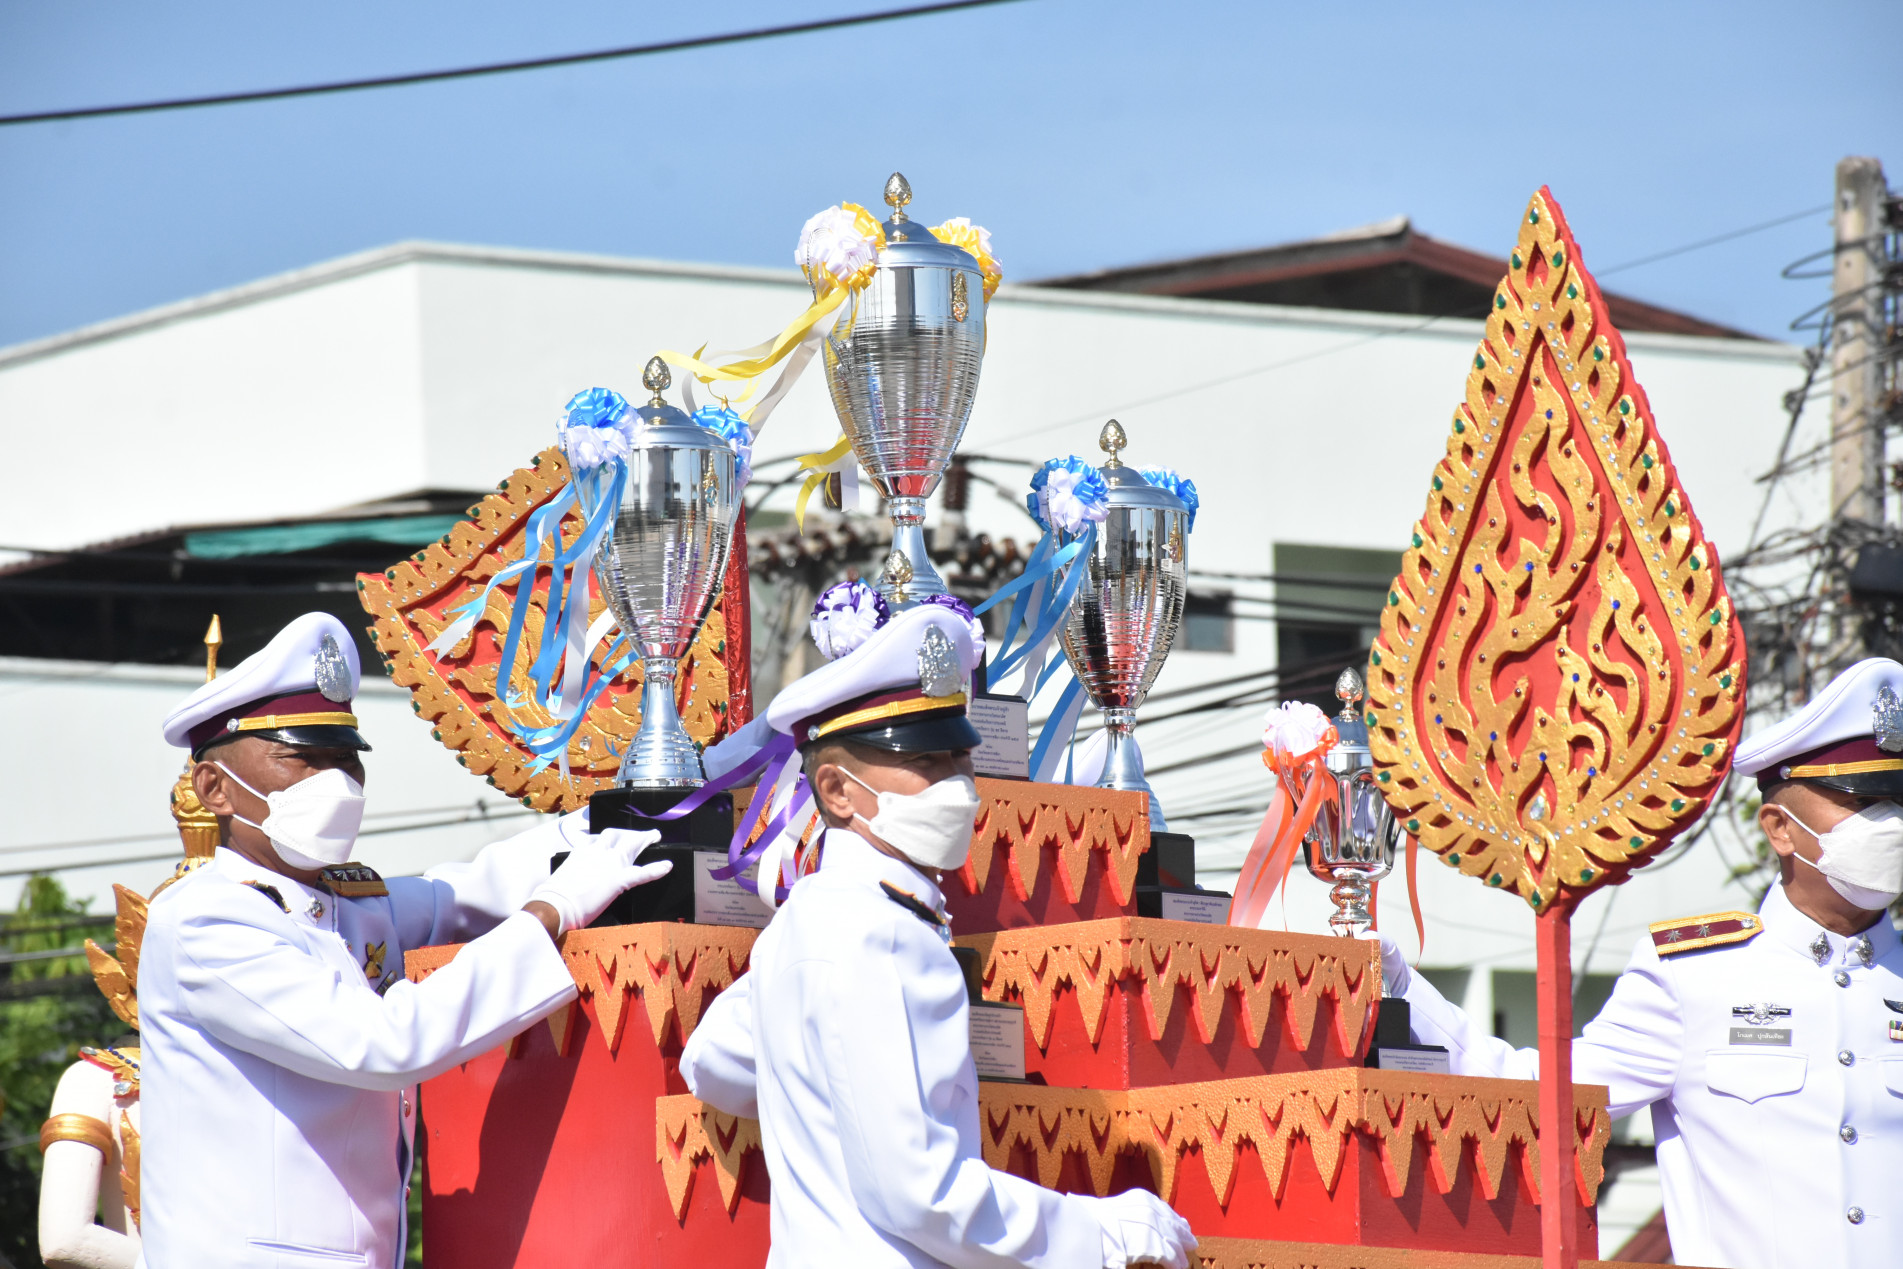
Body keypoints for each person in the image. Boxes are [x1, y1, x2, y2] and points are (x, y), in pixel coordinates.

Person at [135, 612, 672, 1268]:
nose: (333, 783)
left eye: (343, 760)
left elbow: (466, 891)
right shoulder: (206, 920)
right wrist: (554, 911)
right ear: (214, 788)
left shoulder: (346, 902)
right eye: (301, 758)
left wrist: (617, 818)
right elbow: (385, 1043)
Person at [682, 605, 1197, 1269]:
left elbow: (712, 1062)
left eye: (959, 755)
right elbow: (921, 1192)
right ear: (837, 790)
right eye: (924, 760)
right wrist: (1099, 1231)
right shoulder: (878, 932)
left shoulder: (811, 917)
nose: (955, 781)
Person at [1383, 656, 1903, 1269]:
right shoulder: (1696, 973)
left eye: (1897, 804)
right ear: (1779, 829)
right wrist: (1394, 984)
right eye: (1863, 802)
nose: (1890, 823)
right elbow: (1535, 1093)